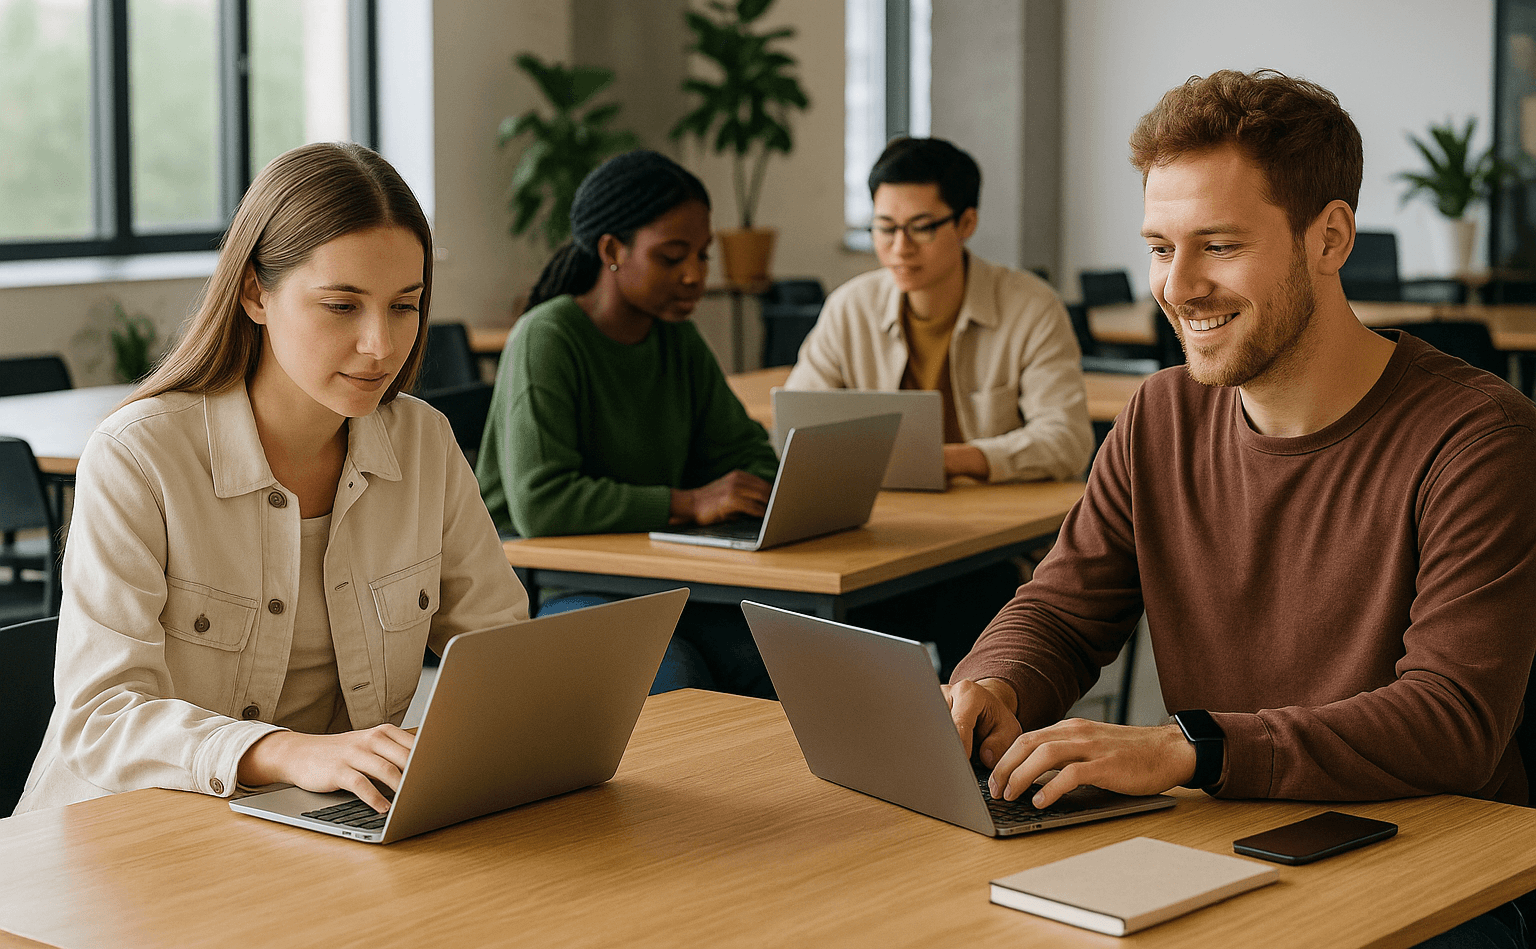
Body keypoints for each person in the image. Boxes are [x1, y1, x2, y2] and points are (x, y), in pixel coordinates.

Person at [945, 70, 1536, 948]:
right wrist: (994, 682)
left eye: (1218, 245)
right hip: (1220, 845)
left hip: (1433, 869)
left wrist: (1188, 749)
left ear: (1330, 237)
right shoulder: (1159, 413)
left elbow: (1452, 719)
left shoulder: (1479, 435)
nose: (1179, 287)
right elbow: (1062, 613)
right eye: (1158, 246)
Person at [17, 143, 529, 817]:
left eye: (404, 306)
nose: (381, 343)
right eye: (342, 307)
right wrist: (288, 751)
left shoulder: (424, 442)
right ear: (256, 292)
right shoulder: (139, 456)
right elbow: (102, 718)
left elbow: (503, 654)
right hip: (120, 843)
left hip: (312, 833)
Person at [475, 149, 780, 698]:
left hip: (659, 579)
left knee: (779, 661)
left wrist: (736, 491)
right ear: (612, 250)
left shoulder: (676, 338)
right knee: (674, 675)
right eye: (671, 257)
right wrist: (688, 503)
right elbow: (541, 503)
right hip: (549, 585)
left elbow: (748, 454)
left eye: (702, 256)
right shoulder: (548, 337)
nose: (694, 276)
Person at [785, 136, 1094, 676]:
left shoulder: (1030, 307)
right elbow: (799, 429)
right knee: (804, 621)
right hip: (881, 542)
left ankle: (977, 751)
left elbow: (1066, 441)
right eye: (884, 228)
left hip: (991, 553)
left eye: (921, 227)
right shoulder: (849, 308)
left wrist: (951, 458)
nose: (899, 247)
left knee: (979, 600)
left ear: (966, 222)